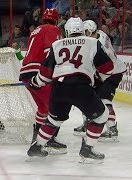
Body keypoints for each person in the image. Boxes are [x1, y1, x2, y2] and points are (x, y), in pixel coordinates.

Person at [27, 17, 114, 163]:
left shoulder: (57, 44)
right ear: (81, 30)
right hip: (81, 87)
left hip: (58, 89)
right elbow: (108, 68)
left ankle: (37, 147)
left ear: (67, 31)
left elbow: (45, 74)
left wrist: (35, 82)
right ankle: (87, 150)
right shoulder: (93, 42)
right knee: (101, 116)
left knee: (54, 120)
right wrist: (97, 78)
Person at [16, 8, 66, 154]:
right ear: (55, 20)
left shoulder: (36, 30)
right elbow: (49, 53)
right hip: (38, 73)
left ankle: (37, 138)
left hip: (26, 73)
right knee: (55, 108)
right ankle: (46, 140)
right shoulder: (53, 29)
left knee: (43, 108)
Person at [73, 20, 126, 142]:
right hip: (106, 72)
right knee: (88, 96)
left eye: (85, 32)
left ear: (91, 31)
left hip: (111, 73)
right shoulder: (100, 34)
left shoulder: (96, 43)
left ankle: (112, 130)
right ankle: (88, 123)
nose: (83, 35)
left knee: (104, 99)